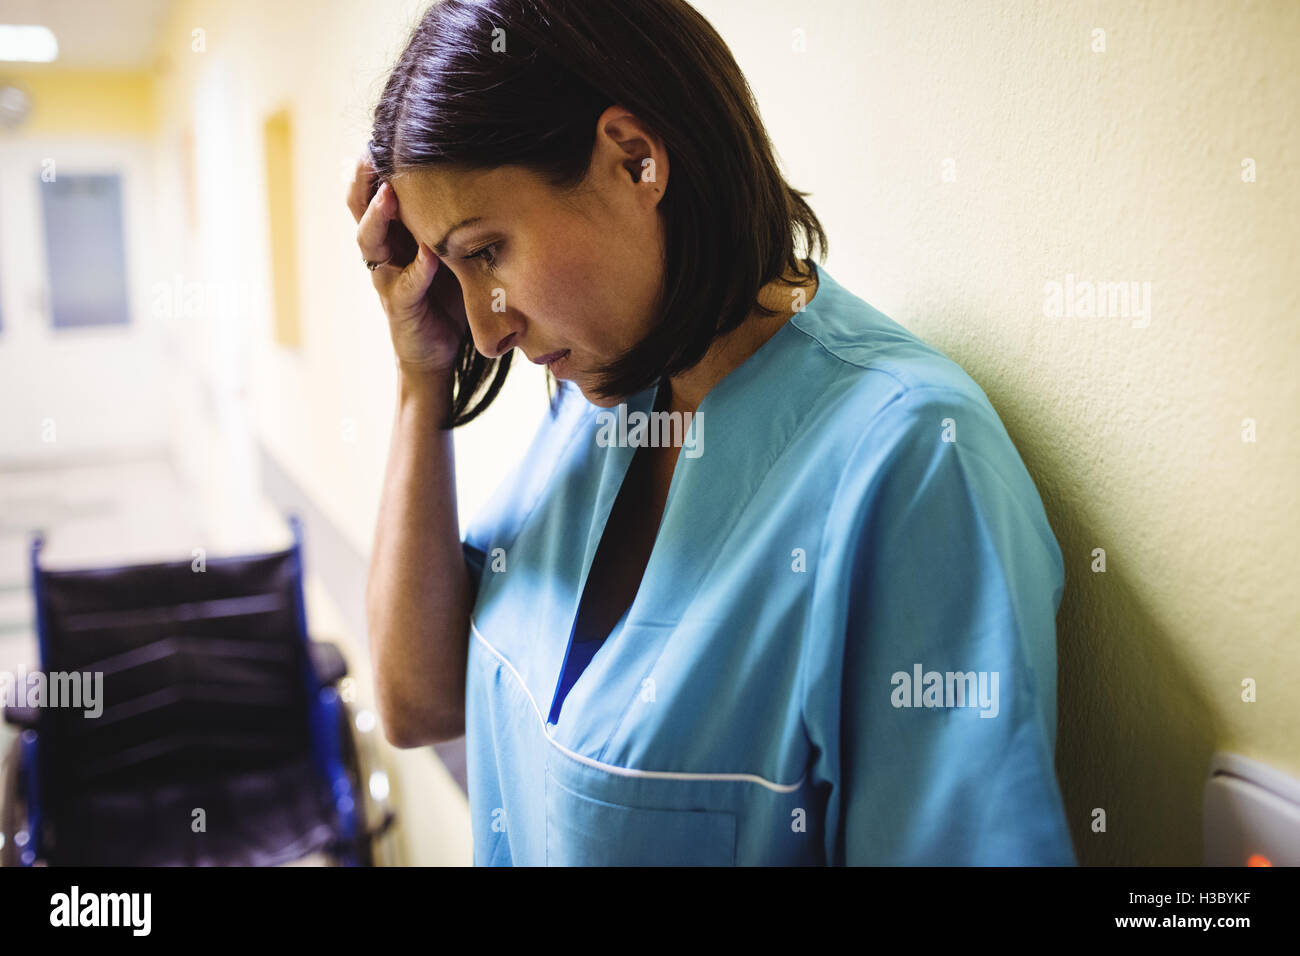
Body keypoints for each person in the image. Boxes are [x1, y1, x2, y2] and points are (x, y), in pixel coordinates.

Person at [353, 0, 1075, 865]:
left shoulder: (913, 464)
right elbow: (420, 703)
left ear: (635, 158)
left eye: (486, 253)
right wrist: (419, 377)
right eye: (449, 267)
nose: (485, 329)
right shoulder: (599, 405)